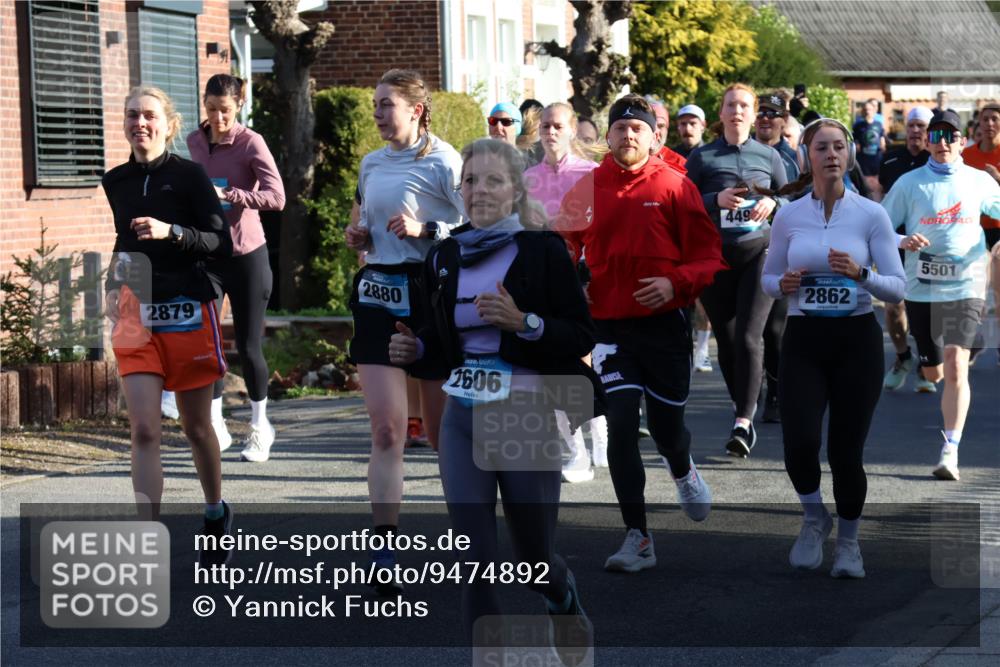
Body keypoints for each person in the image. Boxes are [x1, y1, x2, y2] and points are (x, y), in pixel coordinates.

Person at [389, 138, 595, 664]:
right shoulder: (444, 254)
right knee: (474, 560)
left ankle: (561, 597)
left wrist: (523, 322)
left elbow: (580, 334)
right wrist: (416, 347)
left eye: (492, 181)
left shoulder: (541, 250)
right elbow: (438, 336)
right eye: (470, 181)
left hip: (525, 418)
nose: (478, 191)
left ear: (516, 190)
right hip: (463, 419)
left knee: (533, 559)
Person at [556, 95, 724, 573]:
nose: (628, 135)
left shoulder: (675, 186)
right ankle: (638, 537)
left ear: (654, 137)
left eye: (637, 129)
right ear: (606, 137)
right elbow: (561, 247)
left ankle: (682, 468)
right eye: (620, 128)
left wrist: (675, 282)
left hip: (665, 327)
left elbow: (707, 256)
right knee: (623, 423)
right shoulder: (588, 188)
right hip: (609, 328)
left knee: (669, 430)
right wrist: (574, 288)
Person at [762, 118, 906, 579]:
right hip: (804, 338)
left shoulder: (871, 215)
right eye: (821, 147)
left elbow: (897, 289)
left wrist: (860, 275)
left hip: (856, 340)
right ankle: (812, 517)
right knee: (799, 442)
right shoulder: (788, 214)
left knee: (846, 452)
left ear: (848, 156)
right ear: (806, 155)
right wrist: (781, 283)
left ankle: (848, 543)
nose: (831, 155)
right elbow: (768, 279)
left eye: (838, 147)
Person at [343, 69, 465, 590]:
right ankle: (385, 546)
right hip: (377, 292)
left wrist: (427, 229)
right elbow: (362, 223)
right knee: (388, 429)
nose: (376, 112)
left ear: (416, 110)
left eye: (386, 103)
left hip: (429, 293)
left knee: (441, 436)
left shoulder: (445, 159)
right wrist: (358, 235)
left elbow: (474, 221)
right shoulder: (371, 164)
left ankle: (469, 535)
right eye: (374, 103)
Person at [103, 86, 234, 563]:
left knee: (197, 427)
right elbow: (122, 239)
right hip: (137, 311)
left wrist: (171, 232)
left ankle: (216, 510)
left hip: (186, 307)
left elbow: (222, 244)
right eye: (132, 114)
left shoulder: (191, 176)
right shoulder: (114, 180)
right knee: (143, 430)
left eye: (150, 116)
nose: (141, 123)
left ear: (169, 124)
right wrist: (113, 286)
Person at [882, 109, 1000, 481]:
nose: (943, 143)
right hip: (921, 287)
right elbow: (881, 226)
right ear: (928, 142)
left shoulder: (979, 181)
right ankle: (926, 361)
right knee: (932, 370)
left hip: (966, 285)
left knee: (954, 363)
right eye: (936, 136)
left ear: (962, 141)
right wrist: (903, 240)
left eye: (950, 136)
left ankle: (951, 448)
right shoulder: (909, 183)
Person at [180, 73, 286, 462]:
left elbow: (277, 197)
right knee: (206, 342)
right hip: (208, 254)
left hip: (247, 255)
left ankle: (260, 427)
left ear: (238, 105)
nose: (218, 118)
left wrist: (229, 194)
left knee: (248, 345)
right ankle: (216, 423)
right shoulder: (193, 141)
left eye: (224, 110)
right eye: (211, 109)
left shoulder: (250, 142)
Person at [686, 83, 788, 457]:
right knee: (727, 343)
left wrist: (771, 203)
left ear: (754, 111)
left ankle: (743, 422)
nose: (738, 111)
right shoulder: (703, 156)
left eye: (745, 105)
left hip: (759, 252)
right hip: (715, 258)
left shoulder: (769, 155)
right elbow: (684, 200)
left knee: (749, 336)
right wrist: (716, 199)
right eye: (732, 105)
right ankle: (742, 401)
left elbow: (790, 196)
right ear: (722, 111)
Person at [523, 103, 606, 482]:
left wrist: (590, 275)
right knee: (555, 365)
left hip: (581, 278)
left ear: (572, 130)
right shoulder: (528, 178)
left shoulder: (591, 173)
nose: (550, 132)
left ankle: (601, 437)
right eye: (545, 126)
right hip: (541, 280)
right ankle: (575, 451)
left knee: (585, 361)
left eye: (557, 125)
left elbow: (603, 232)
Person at [879, 106, 932, 391]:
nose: (915, 131)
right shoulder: (890, 159)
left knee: (925, 309)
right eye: (911, 125)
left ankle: (927, 364)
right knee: (894, 306)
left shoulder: (935, 161)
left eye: (921, 126)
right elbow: (880, 198)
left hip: (926, 246)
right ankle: (903, 357)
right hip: (895, 243)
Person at [753, 92, 799, 422]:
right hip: (746, 251)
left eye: (773, 113)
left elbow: (799, 206)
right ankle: (749, 394)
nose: (766, 118)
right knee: (748, 330)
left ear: (784, 122)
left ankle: (777, 392)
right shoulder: (743, 152)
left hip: (781, 253)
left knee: (775, 331)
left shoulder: (792, 159)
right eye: (761, 113)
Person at [961, 101, 1000, 364]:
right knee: (976, 293)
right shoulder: (967, 156)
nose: (989, 124)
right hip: (973, 229)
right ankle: (977, 339)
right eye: (985, 119)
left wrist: (997, 179)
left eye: (995, 119)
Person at [852, 99, 887, 200]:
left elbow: (881, 138)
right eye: (865, 109)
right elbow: (855, 141)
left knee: (878, 184)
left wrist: (883, 146)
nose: (868, 111)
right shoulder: (857, 125)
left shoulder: (878, 124)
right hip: (863, 159)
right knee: (865, 185)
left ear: (874, 111)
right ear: (862, 111)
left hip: (877, 158)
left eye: (870, 109)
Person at [647, 99, 687, 173]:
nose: (656, 131)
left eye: (661, 126)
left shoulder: (680, 163)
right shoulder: (626, 159)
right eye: (651, 125)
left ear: (667, 129)